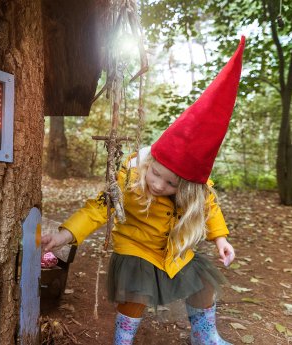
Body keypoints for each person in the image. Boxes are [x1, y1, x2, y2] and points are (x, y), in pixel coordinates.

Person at [42, 36, 246, 345]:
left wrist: (220, 238)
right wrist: (64, 235)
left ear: (188, 186)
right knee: (135, 292)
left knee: (203, 281)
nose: (158, 184)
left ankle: (205, 336)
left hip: (173, 250)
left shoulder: (195, 193)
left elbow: (210, 207)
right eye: (156, 174)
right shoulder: (130, 177)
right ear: (149, 161)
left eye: (171, 184)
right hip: (136, 248)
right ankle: (123, 339)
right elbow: (98, 208)